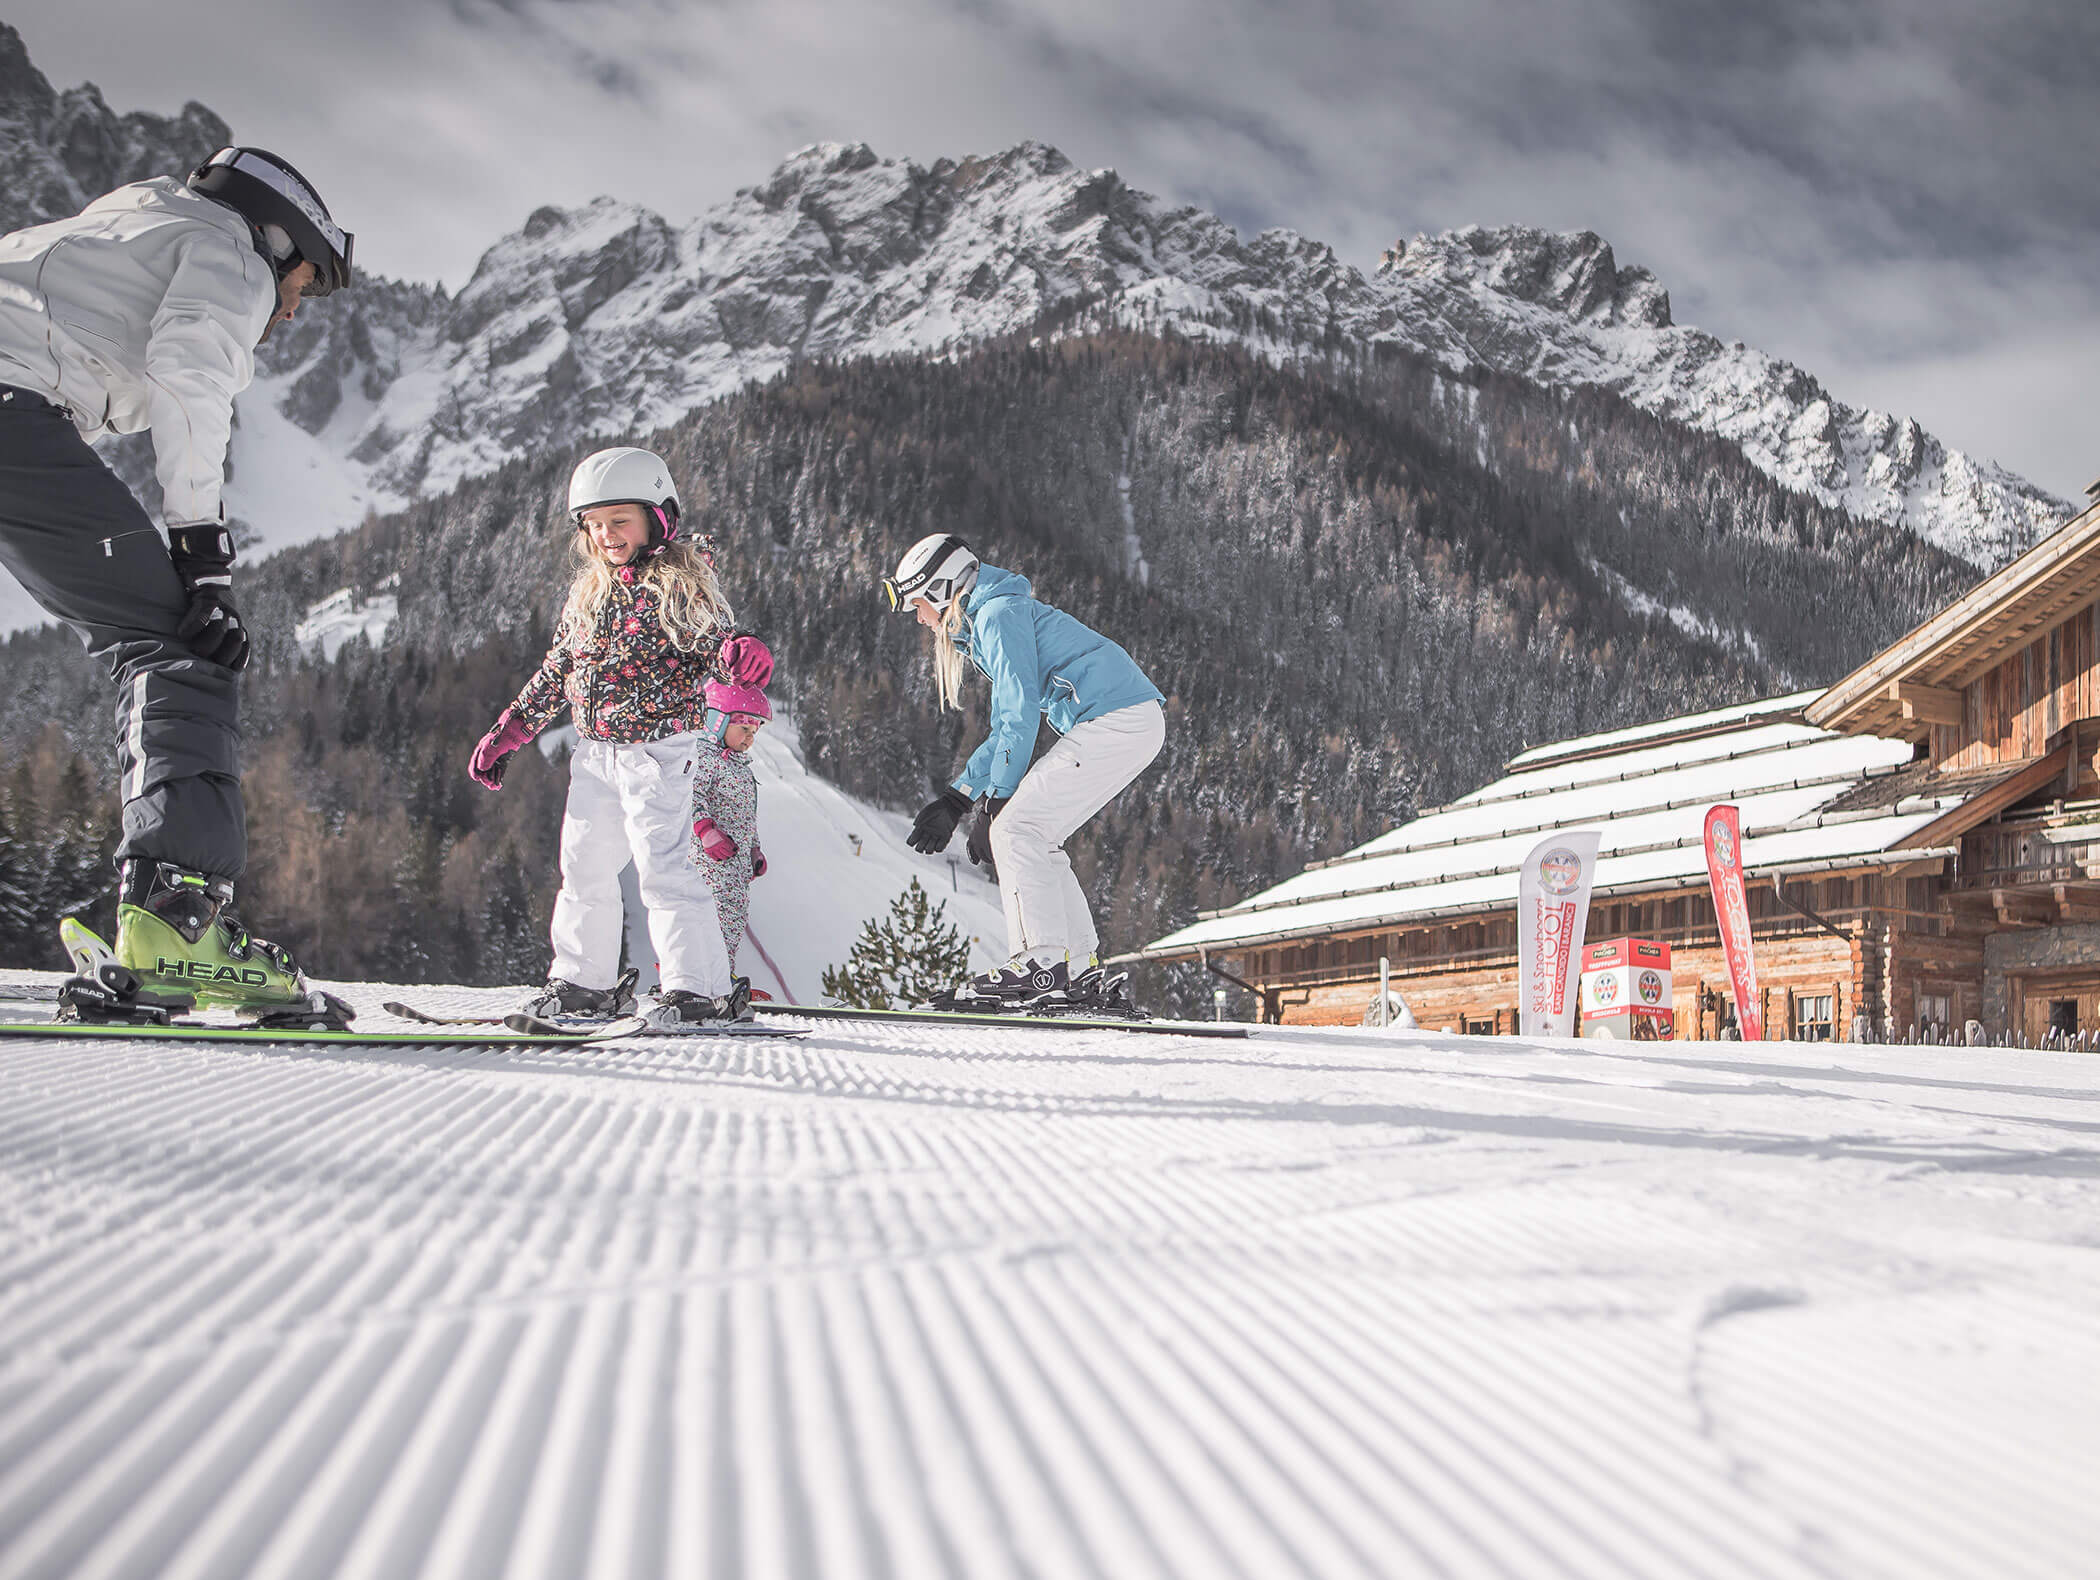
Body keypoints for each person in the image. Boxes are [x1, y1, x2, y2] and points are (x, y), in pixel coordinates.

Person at [0, 146, 354, 1009]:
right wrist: (202, 558)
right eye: (303, 284)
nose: (292, 309)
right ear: (278, 240)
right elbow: (190, 380)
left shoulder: (130, 222)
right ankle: (177, 926)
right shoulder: (229, 250)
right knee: (177, 643)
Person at [469, 446, 772, 1027]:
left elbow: (719, 647)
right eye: (594, 524)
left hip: (659, 753)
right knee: (583, 868)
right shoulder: (590, 591)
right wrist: (510, 731)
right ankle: (585, 983)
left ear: (658, 518)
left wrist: (742, 652)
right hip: (595, 753)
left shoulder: (680, 586)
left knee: (666, 870)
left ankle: (700, 990)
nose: (606, 535)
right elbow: (559, 670)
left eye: (620, 520)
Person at [890, 533, 1165, 1006]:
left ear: (940, 588)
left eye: (918, 604)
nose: (918, 617)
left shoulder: (997, 616)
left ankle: (1039, 965)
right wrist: (958, 799)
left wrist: (996, 805)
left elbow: (1019, 718)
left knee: (1017, 828)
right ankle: (1077, 971)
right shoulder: (996, 614)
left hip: (1116, 719)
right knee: (1035, 835)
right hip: (1129, 720)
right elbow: (1007, 726)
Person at [690, 677, 772, 1008]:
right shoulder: (704, 758)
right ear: (717, 721)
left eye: (754, 732)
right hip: (709, 861)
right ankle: (697, 976)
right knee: (710, 916)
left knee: (733, 918)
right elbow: (690, 796)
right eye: (744, 729)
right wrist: (705, 830)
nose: (750, 738)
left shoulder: (741, 768)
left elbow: (747, 815)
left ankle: (723, 974)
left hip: (735, 865)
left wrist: (754, 849)